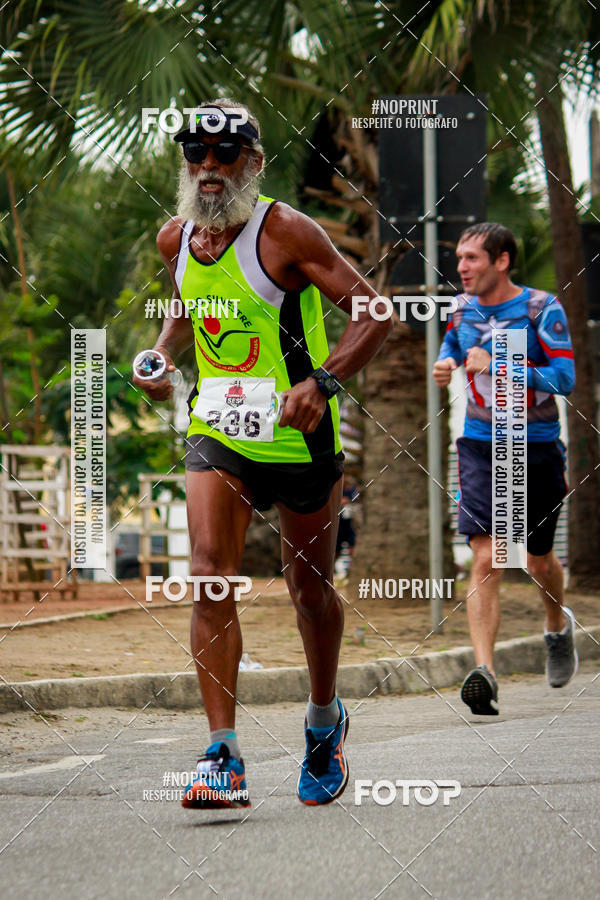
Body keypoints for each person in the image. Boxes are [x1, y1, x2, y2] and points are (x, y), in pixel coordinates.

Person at [133, 99, 391, 807]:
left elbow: (376, 310)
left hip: (298, 432)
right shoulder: (175, 240)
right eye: (196, 154)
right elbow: (188, 312)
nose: (208, 168)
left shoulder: (286, 231)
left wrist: (322, 381)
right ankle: (223, 755)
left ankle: (323, 718)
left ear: (253, 161)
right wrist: (159, 358)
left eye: (225, 155)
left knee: (309, 589)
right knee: (210, 573)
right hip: (217, 427)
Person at [433, 222, 577, 716]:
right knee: (488, 555)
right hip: (479, 443)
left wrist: (498, 364)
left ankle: (556, 628)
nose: (461, 267)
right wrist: (444, 364)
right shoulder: (461, 307)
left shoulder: (541, 308)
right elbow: (453, 347)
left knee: (537, 561)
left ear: (501, 261)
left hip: (534, 446)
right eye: (459, 259)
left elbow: (564, 378)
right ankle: (485, 673)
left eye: (472, 258)